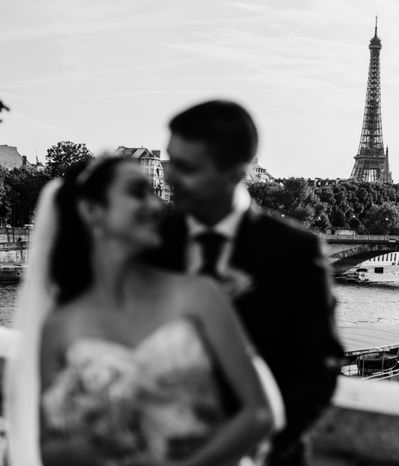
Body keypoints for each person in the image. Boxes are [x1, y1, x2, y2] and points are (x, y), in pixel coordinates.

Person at [5, 157, 284, 465]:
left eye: (152, 192)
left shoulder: (200, 295)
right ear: (91, 211)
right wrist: (100, 438)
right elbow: (49, 448)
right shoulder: (60, 326)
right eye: (137, 192)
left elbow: (260, 412)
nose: (155, 206)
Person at [152, 100, 344, 466]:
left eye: (186, 167)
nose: (170, 177)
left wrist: (256, 450)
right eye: (169, 161)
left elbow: (318, 369)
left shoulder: (295, 251)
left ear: (235, 172)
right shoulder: (152, 240)